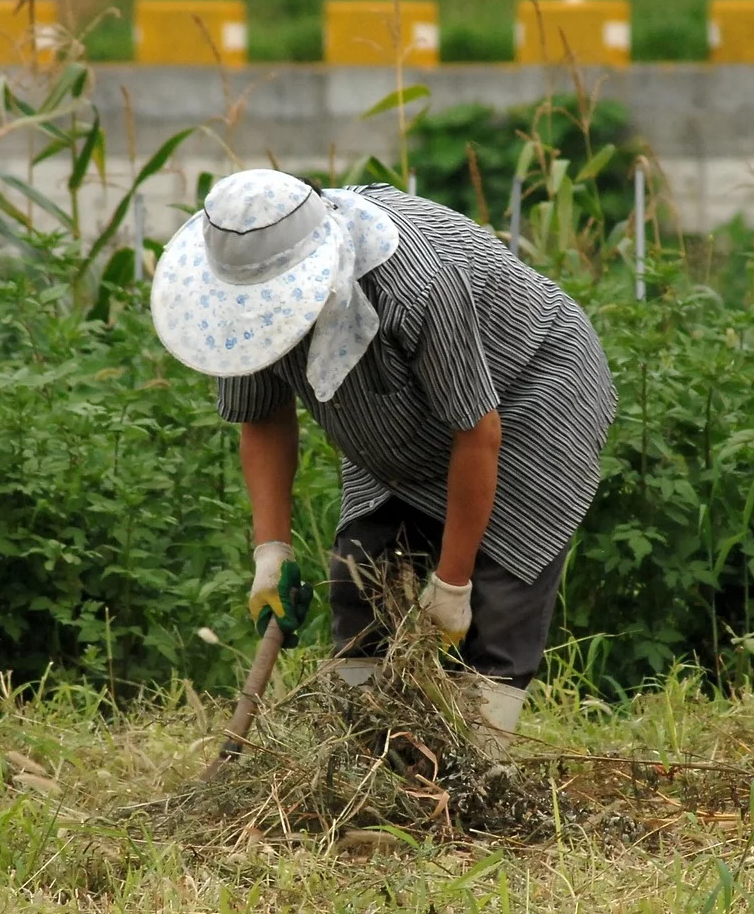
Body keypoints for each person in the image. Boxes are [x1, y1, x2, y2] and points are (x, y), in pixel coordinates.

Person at [150, 169, 616, 745]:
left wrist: (451, 585)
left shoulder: (418, 285)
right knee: (361, 577)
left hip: (527, 392)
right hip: (396, 418)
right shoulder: (243, 304)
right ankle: (366, 764)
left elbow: (476, 434)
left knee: (497, 602)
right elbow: (263, 417)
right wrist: (270, 552)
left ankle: (478, 778)